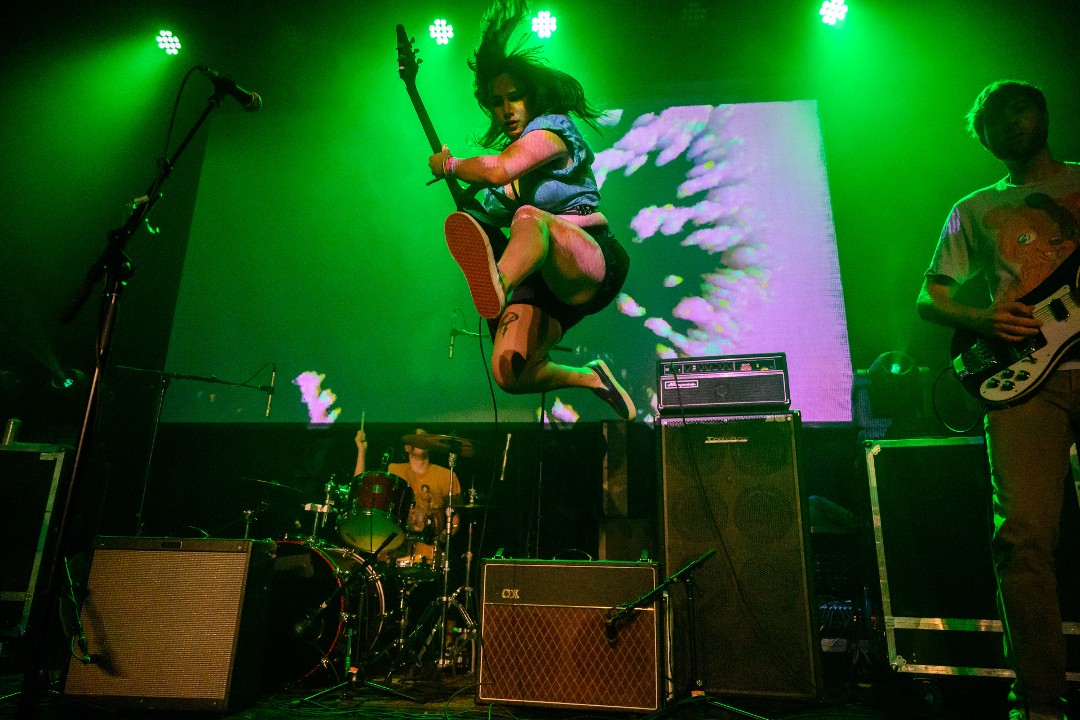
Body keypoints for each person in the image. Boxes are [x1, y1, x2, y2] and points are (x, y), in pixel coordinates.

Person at [917, 79, 1080, 720]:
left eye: (1022, 109)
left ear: (1044, 113)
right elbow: (931, 299)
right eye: (997, 120)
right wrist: (985, 320)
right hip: (1026, 382)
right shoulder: (974, 208)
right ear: (983, 140)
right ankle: (1040, 700)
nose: (1013, 124)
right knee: (1023, 538)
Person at [427, 0, 636, 421]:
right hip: (547, 284)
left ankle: (498, 283)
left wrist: (451, 165)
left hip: (591, 259)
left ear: (533, 97)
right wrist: (468, 207)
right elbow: (489, 201)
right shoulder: (510, 179)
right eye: (496, 101)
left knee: (529, 219)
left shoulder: (553, 130)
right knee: (509, 372)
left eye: (514, 97)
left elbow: (498, 167)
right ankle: (592, 377)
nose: (505, 110)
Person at [354, 429, 460, 566]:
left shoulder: (446, 475)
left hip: (429, 556)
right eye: (418, 438)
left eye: (426, 438)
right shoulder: (393, 470)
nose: (423, 440)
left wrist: (443, 537)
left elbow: (455, 518)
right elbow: (361, 489)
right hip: (393, 552)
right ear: (407, 447)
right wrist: (362, 451)